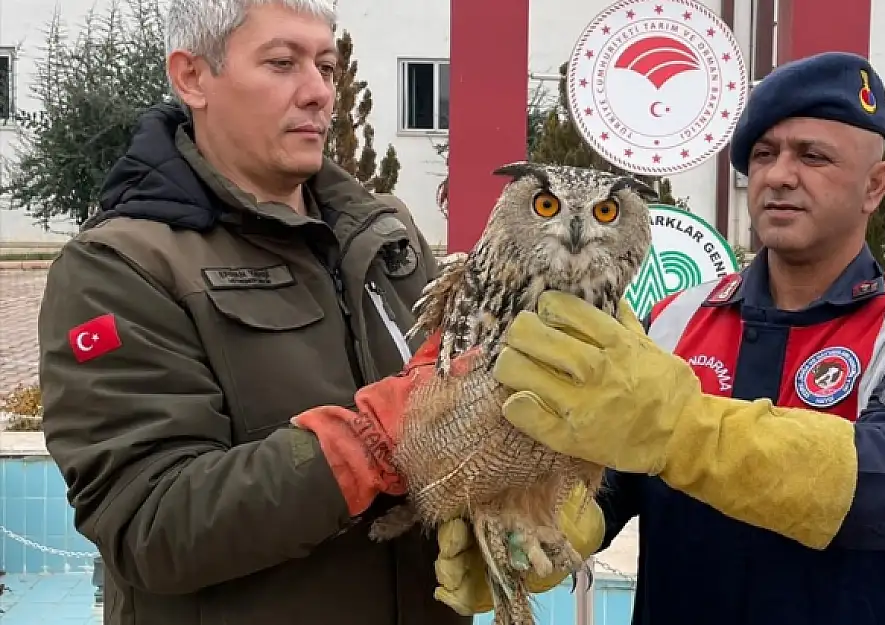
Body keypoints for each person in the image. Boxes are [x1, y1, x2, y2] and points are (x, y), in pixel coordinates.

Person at [36, 1, 597, 624]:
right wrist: (366, 443)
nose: (318, 94)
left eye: (327, 67)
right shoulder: (122, 267)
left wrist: (524, 498)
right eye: (282, 63)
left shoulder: (387, 234)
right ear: (192, 76)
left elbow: (459, 432)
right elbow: (150, 524)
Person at [433, 52, 885, 624]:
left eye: (812, 155)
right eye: (762, 155)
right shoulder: (676, 318)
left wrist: (682, 430)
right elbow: (611, 477)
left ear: (874, 186)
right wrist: (539, 528)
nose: (779, 174)